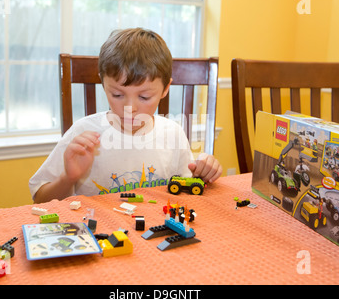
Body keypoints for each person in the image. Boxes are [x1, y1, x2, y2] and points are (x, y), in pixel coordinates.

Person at [29, 28, 222, 203]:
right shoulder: (83, 134)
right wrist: (68, 178)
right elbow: (40, 199)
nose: (130, 107)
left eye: (144, 96)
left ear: (165, 89)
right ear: (103, 84)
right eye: (118, 95)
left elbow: (187, 190)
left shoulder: (173, 134)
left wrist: (204, 173)